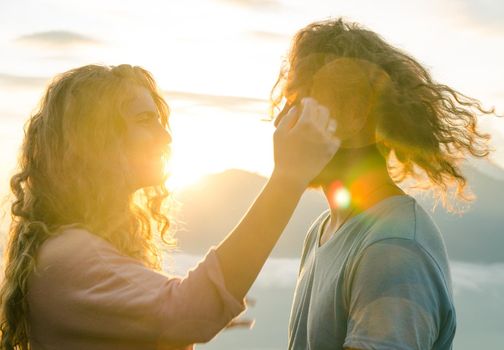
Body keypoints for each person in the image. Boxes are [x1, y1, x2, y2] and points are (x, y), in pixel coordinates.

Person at [0, 64, 340, 349]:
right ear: (92, 137)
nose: (166, 137)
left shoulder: (75, 249)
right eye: (145, 120)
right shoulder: (68, 253)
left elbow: (180, 315)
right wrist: (288, 178)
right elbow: (192, 309)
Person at [270, 18, 496, 349]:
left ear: (354, 113)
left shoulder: (394, 249)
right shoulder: (322, 231)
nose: (282, 122)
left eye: (299, 103)